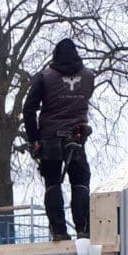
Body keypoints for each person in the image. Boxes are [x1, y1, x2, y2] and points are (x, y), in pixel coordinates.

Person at [23, 38, 95, 241]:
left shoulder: (44, 77)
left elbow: (28, 109)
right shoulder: (89, 76)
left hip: (50, 139)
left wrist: (34, 139)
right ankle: (83, 229)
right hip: (76, 138)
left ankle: (59, 232)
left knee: (53, 183)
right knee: (80, 182)